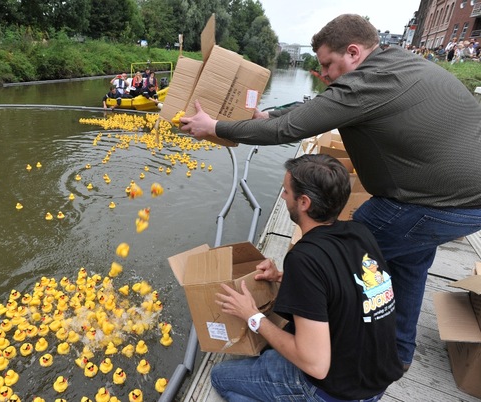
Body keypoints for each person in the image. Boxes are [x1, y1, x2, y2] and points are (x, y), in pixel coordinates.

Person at [180, 14, 481, 371]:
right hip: (463, 200)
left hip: (434, 204)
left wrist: (213, 126)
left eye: (327, 65)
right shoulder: (395, 63)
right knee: (406, 265)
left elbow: (288, 130)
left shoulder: (366, 83)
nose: (322, 74)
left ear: (353, 52)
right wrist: (272, 115)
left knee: (323, 256)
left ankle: (298, 348)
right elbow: (315, 109)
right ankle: (397, 355)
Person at [211, 154, 403, 401]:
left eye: (286, 191)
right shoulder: (359, 232)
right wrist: (282, 277)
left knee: (221, 377)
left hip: (334, 391)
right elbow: (345, 285)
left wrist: (253, 316)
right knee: (272, 353)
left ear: (303, 202)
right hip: (374, 380)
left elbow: (316, 365)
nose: (282, 196)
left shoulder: (304, 258)